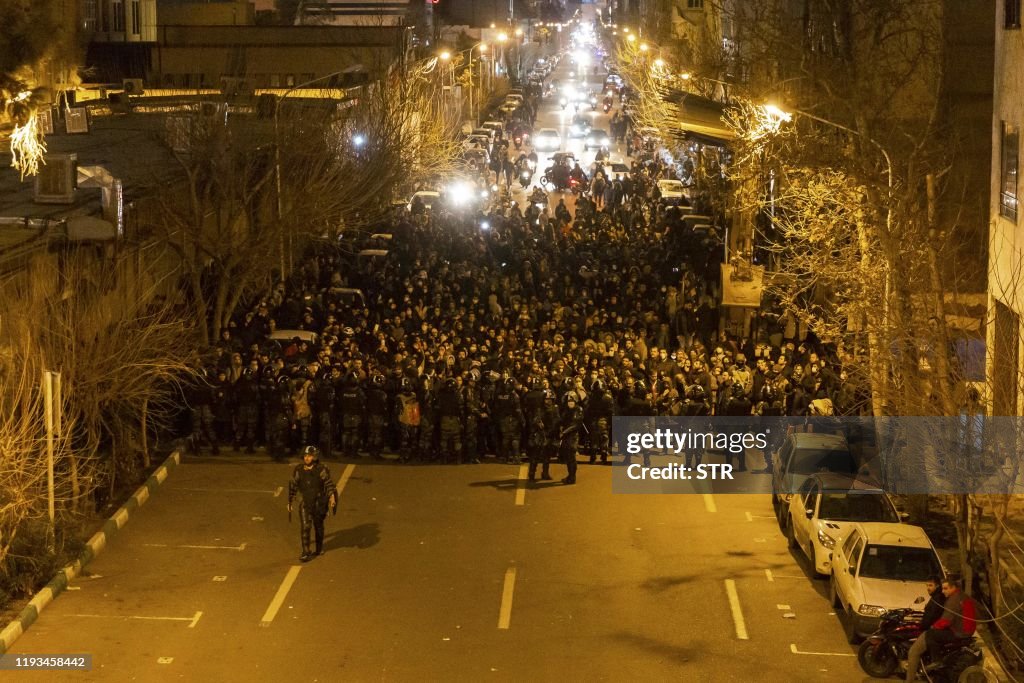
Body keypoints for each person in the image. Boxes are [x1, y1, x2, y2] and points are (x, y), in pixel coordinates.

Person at [287, 445, 337, 562]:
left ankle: (319, 548)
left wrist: (332, 497)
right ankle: (305, 551)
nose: (307, 458)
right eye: (305, 456)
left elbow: (328, 484)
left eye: (309, 456)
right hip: (305, 502)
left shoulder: (321, 469)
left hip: (319, 503)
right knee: (305, 526)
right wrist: (290, 500)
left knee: (318, 526)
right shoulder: (299, 469)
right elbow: (293, 485)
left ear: (314, 457)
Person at [903, 576, 947, 682]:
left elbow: (931, 617)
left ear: (937, 586)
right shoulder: (936, 597)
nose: (928, 588)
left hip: (931, 630)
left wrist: (921, 626)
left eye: (930, 585)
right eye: (927, 585)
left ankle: (909, 680)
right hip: (932, 628)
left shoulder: (937, 599)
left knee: (913, 652)